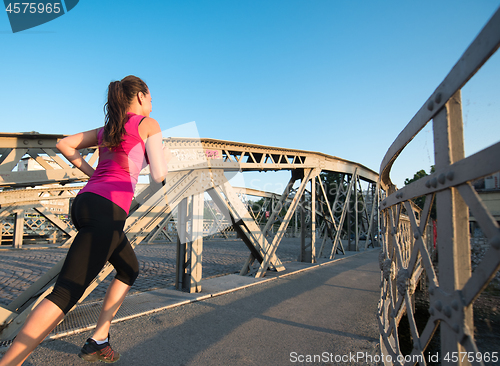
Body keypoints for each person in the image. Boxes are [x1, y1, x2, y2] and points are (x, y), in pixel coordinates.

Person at [0, 75, 169, 365]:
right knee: (65, 293)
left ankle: (98, 339)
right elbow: (158, 176)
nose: (152, 103)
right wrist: (159, 164)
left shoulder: (108, 129)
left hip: (85, 202)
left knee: (129, 269)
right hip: (108, 209)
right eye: (151, 97)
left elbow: (66, 145)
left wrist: (93, 175)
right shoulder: (148, 125)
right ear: (141, 96)